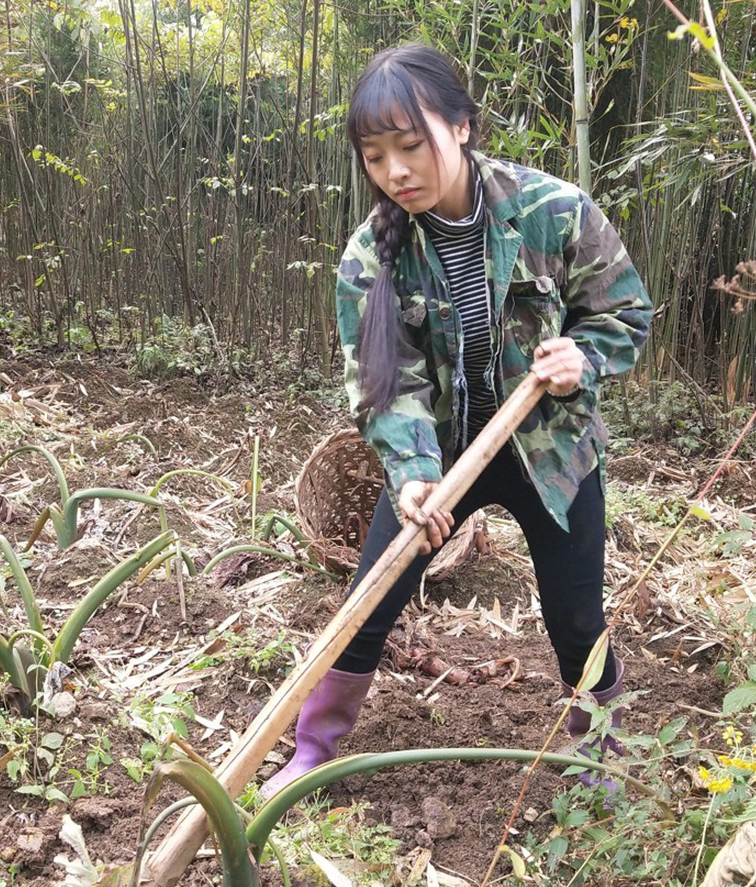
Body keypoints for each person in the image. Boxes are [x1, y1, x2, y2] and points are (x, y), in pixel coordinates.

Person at [260, 43, 652, 799]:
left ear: (462, 127)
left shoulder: (555, 210)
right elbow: (382, 384)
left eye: (411, 146)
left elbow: (625, 313)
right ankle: (315, 746)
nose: (396, 171)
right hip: (438, 457)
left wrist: (584, 359)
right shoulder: (371, 256)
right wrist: (411, 477)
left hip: (550, 448)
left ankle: (602, 745)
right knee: (368, 602)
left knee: (575, 618)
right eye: (375, 157)